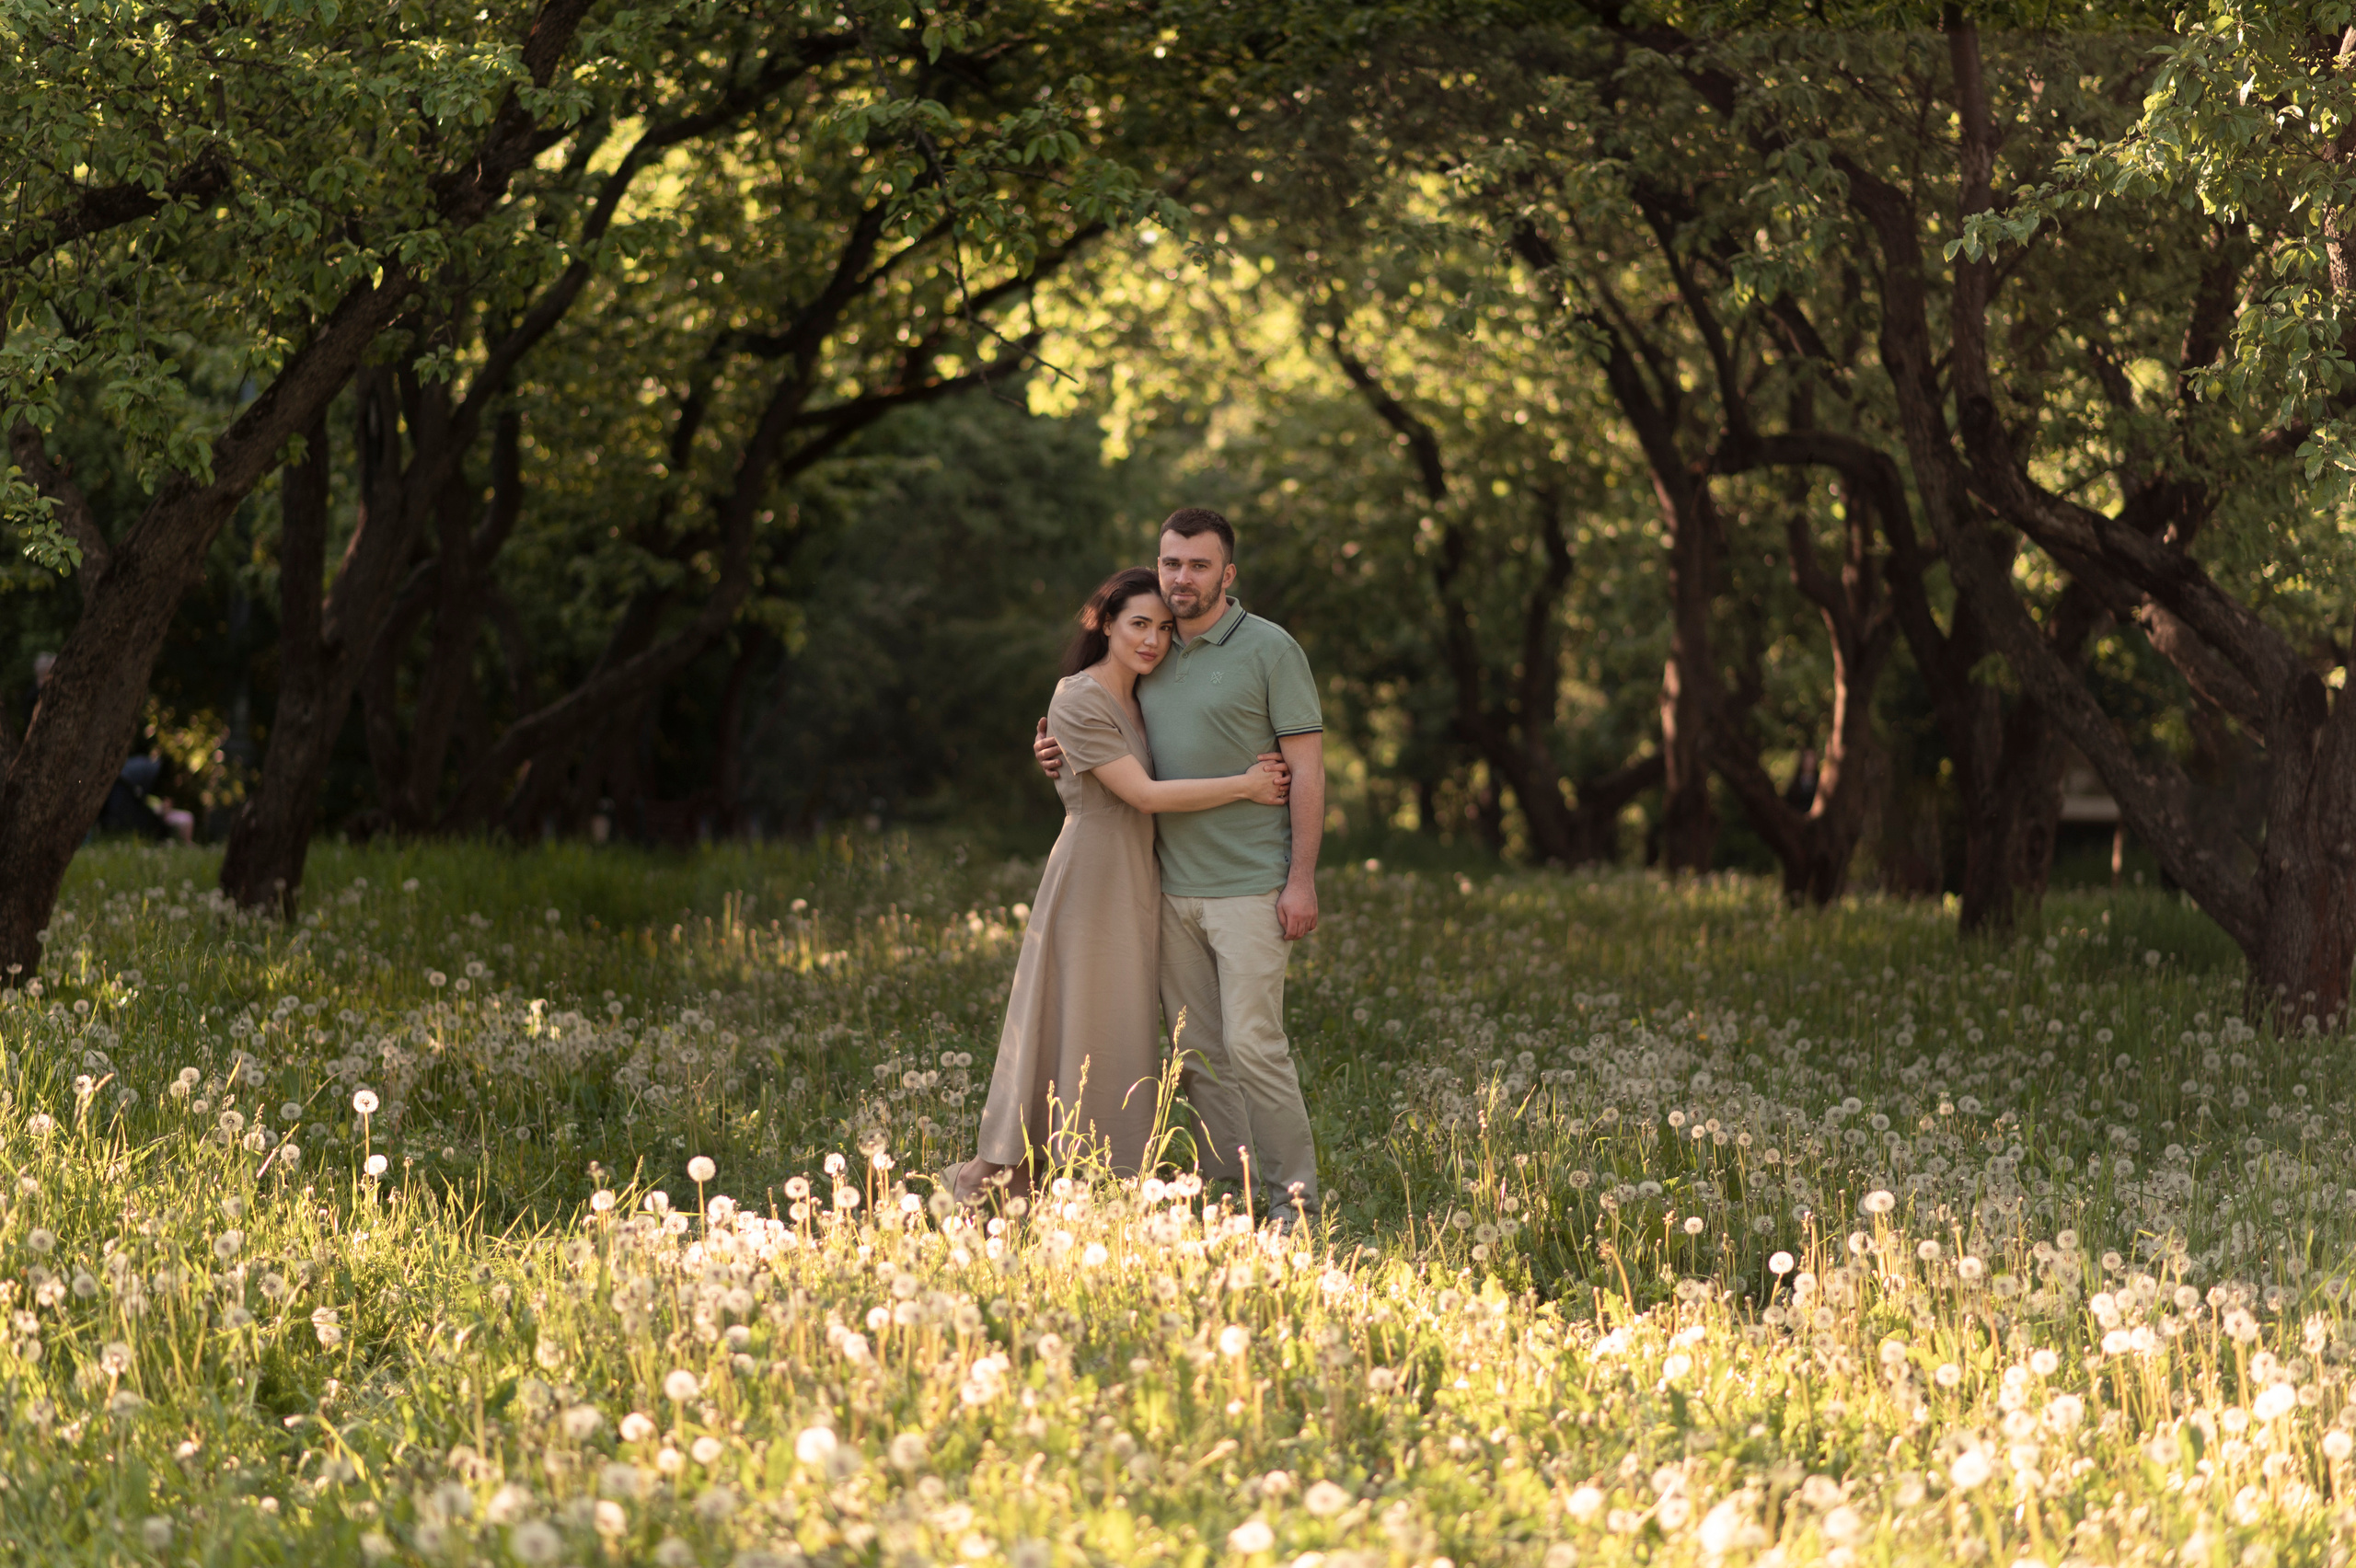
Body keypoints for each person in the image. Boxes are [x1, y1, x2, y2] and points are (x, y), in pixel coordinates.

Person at [947, 567, 1290, 1203]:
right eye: (1138, 624)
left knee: (1118, 1027)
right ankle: (1010, 1175)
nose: (1153, 640)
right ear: (1105, 623)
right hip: (1093, 878)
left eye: (1164, 628)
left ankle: (1102, 1173)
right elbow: (1144, 794)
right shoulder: (1079, 696)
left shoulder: (1148, 693)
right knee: (1077, 1020)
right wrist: (1247, 785)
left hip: (1141, 876)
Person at [1034, 508, 1327, 1229]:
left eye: (1199, 565)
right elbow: (1107, 732)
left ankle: (1295, 1202)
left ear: (1228, 573)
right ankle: (1231, 1186)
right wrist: (1055, 758)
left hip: (1252, 885)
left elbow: (1309, 770)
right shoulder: (1152, 652)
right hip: (1166, 886)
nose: (1182, 578)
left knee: (1254, 1044)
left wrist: (1302, 879)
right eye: (1172, 563)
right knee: (1197, 1055)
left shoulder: (1270, 649)